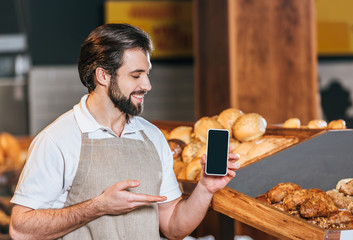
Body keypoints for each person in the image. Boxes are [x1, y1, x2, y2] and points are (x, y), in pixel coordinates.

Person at [9, 23, 240, 240]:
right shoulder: (57, 139)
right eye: (136, 75)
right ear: (103, 76)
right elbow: (21, 230)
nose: (147, 85)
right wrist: (97, 207)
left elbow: (173, 226)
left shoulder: (152, 137)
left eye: (147, 74)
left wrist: (205, 188)